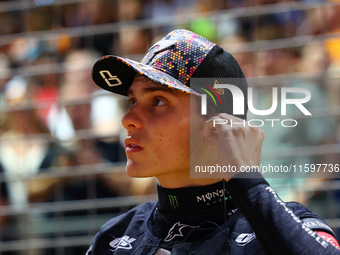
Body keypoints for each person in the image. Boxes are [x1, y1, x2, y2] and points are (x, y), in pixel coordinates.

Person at [86, 29, 340, 254]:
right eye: (132, 101)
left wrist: (246, 181)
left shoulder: (284, 226)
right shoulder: (114, 237)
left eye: (158, 102)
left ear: (218, 123)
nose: (128, 119)